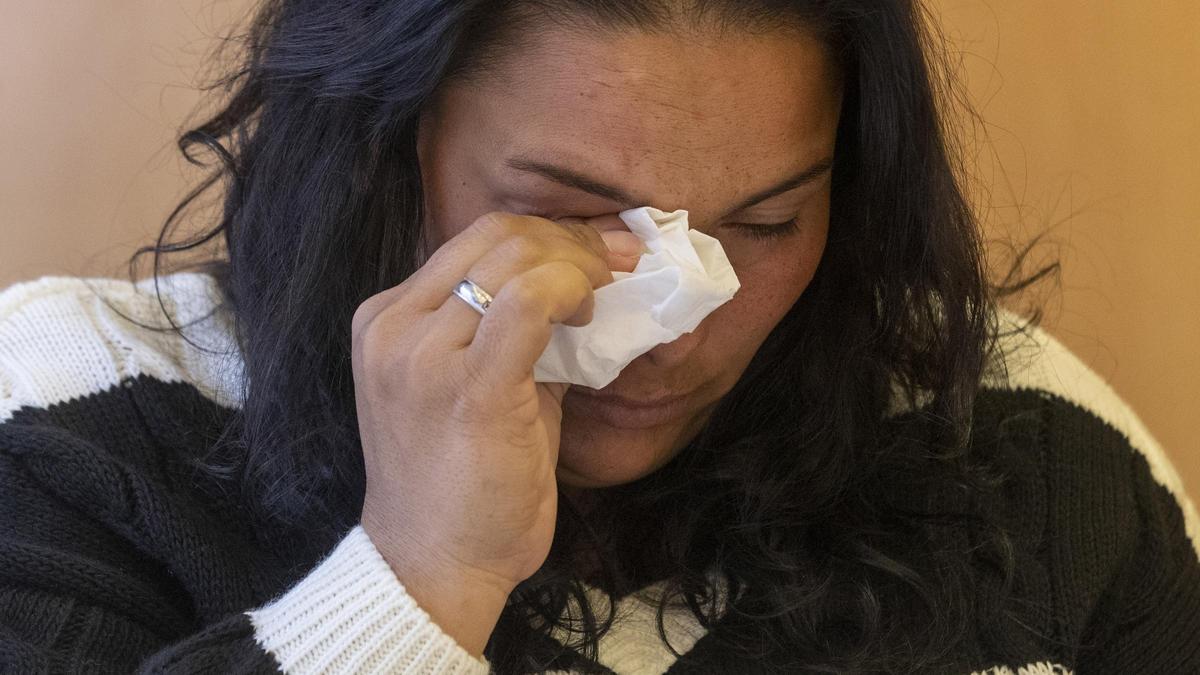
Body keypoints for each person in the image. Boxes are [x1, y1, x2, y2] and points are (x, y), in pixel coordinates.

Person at [1, 0, 1197, 673]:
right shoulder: (73, 420)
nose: (667, 336)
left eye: (767, 224)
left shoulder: (1022, 447)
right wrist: (418, 582)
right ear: (382, 154)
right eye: (569, 216)